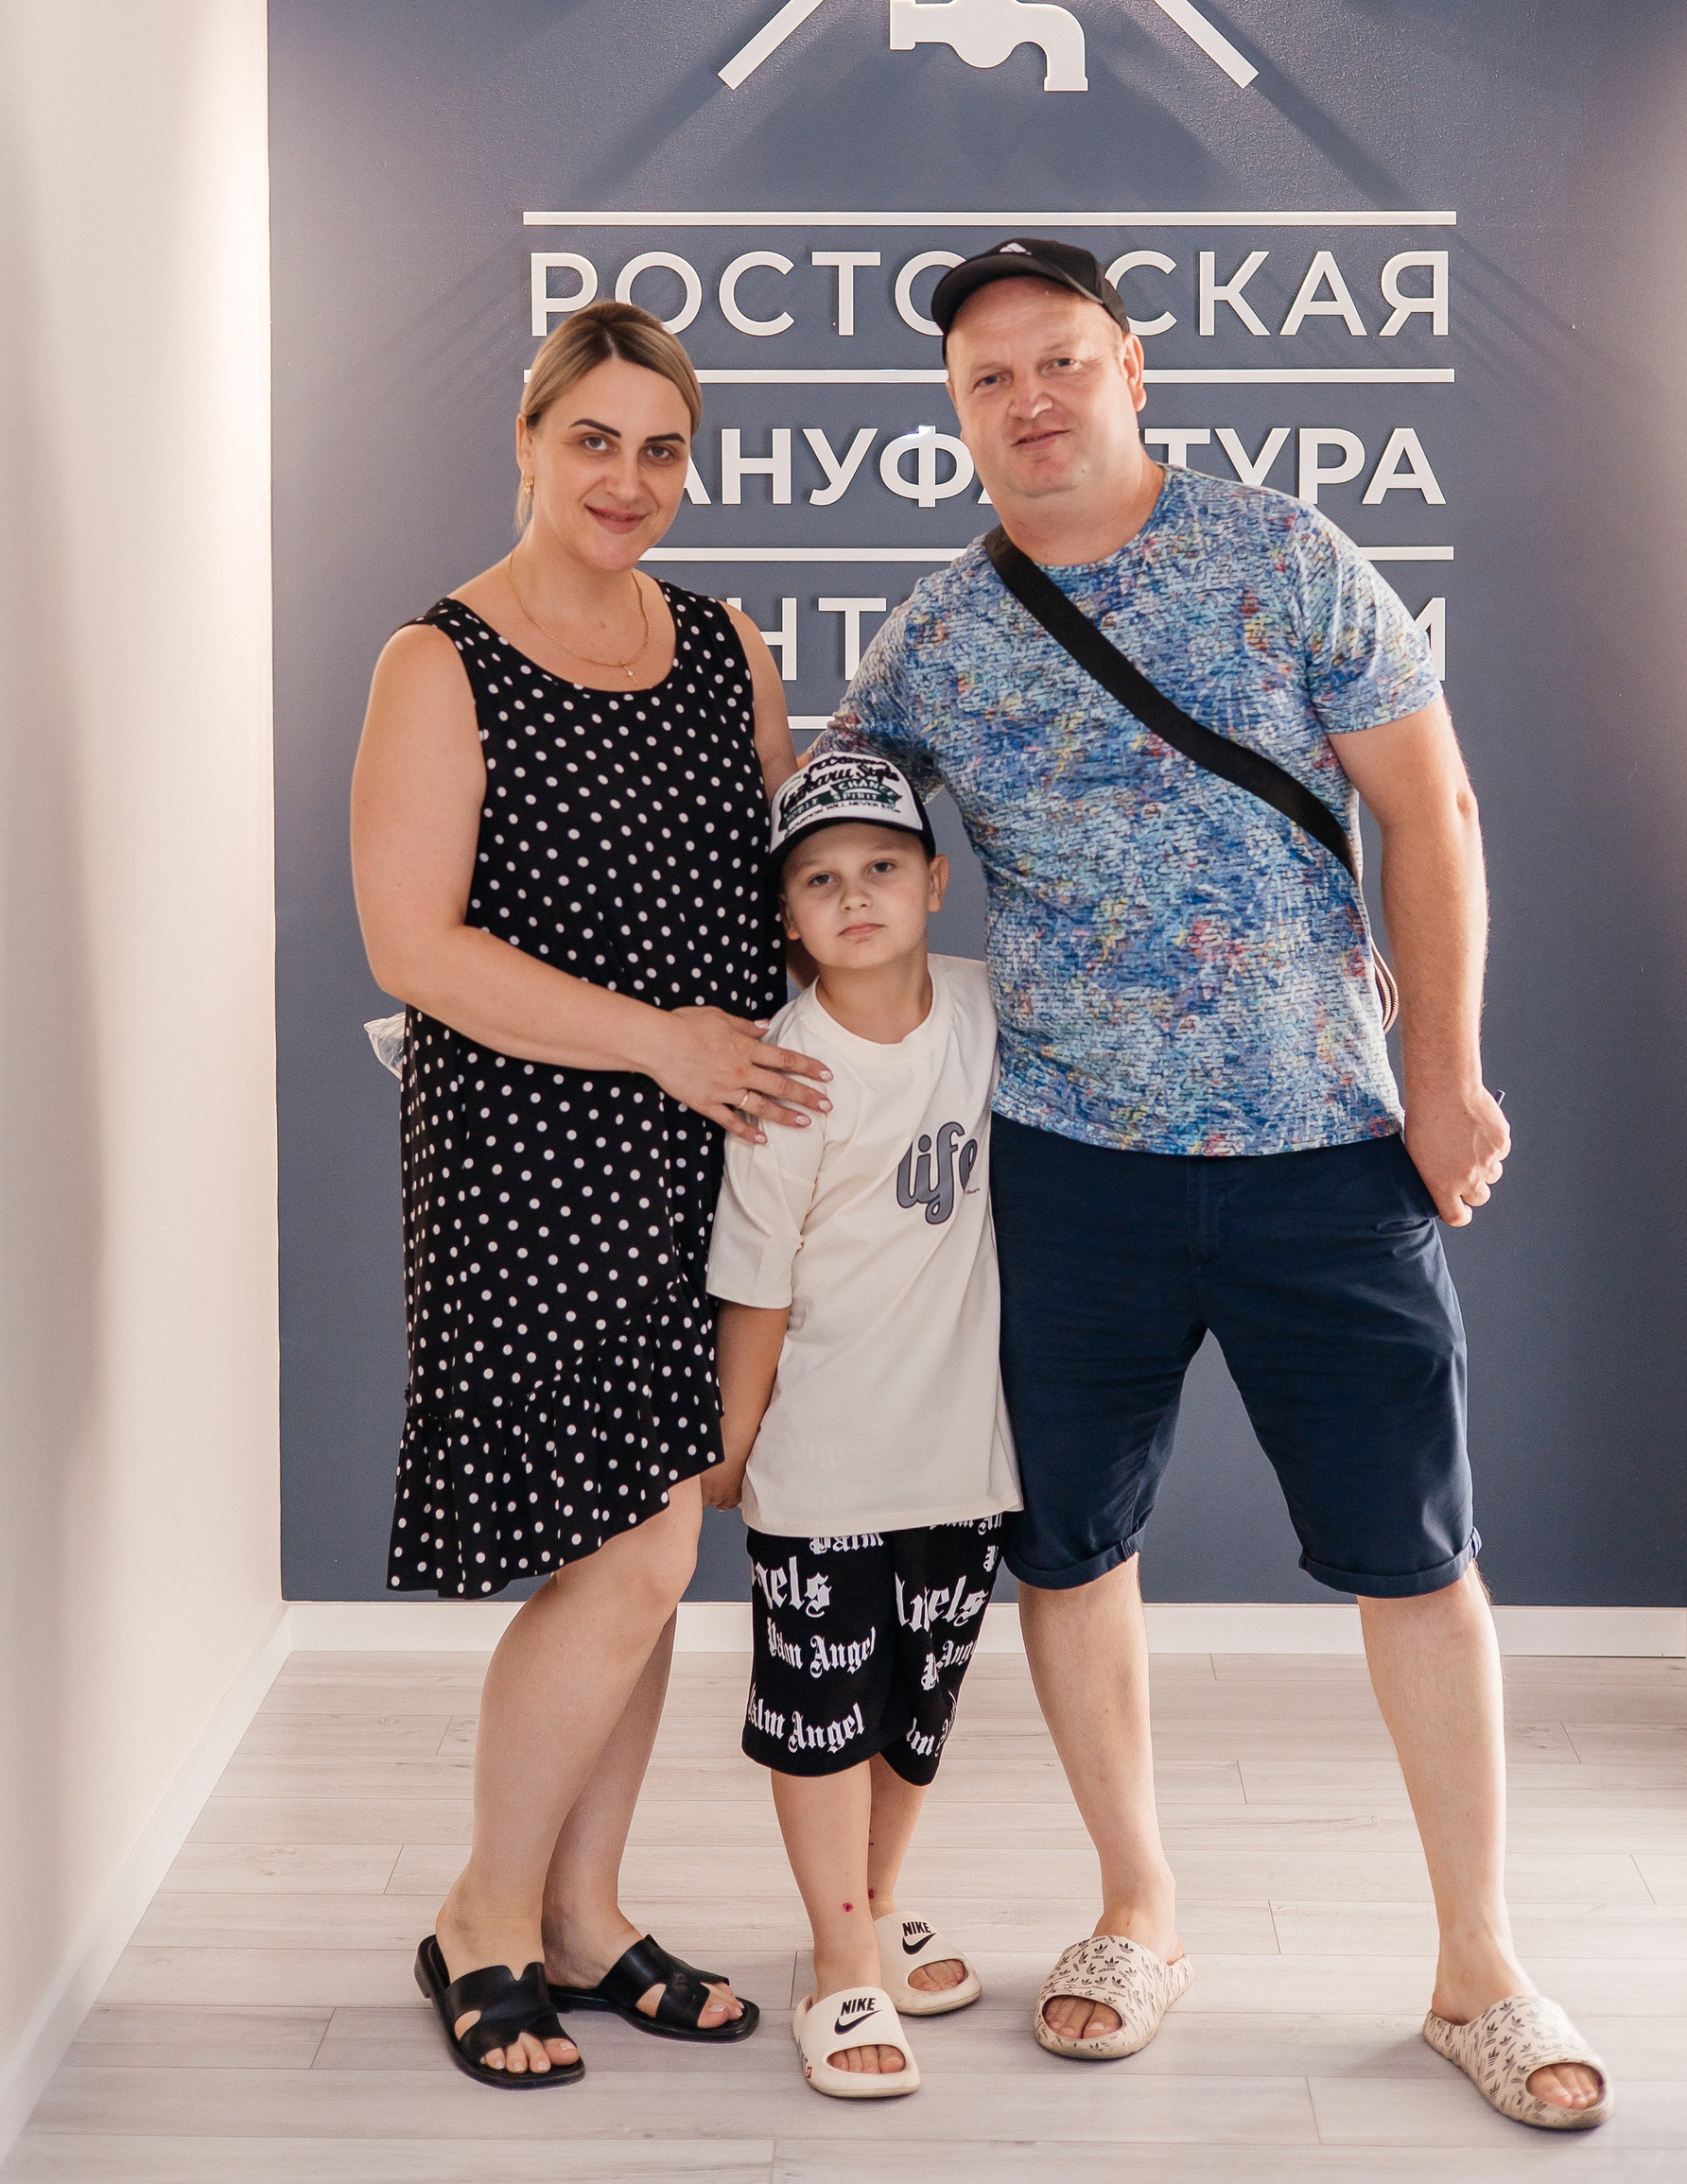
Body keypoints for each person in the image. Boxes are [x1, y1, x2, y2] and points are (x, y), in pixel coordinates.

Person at [815, 239, 1610, 2133]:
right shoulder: (938, 637)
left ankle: (1479, 1963)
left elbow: (1430, 810)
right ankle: (1137, 1907)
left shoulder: (1282, 555)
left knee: (1417, 1551)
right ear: (956, 415)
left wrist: (1442, 1078)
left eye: (1061, 360)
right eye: (989, 378)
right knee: (1072, 1547)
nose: (1030, 398)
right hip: (1069, 1164)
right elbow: (832, 842)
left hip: (1325, 1148)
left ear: (1132, 367)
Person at [350, 303, 831, 2090]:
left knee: (656, 1534)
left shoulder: (722, 643)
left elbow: (780, 882)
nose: (629, 479)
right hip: (530, 1151)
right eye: (594, 440)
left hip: (707, 1147)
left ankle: (583, 1912)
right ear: (531, 441)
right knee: (631, 1553)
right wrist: (663, 1044)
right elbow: (414, 945)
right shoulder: (440, 659)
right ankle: (481, 1914)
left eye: (661, 448)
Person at [701, 751, 1021, 2100]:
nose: (855, 896)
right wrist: (730, 1450)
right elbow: (756, 1288)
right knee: (822, 1718)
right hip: (826, 1464)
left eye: (881, 867)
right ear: (787, 913)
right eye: (819, 880)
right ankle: (838, 1960)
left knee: (914, 1714)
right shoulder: (787, 1075)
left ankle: (877, 1905)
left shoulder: (988, 1007)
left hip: (965, 1459)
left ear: (935, 882)